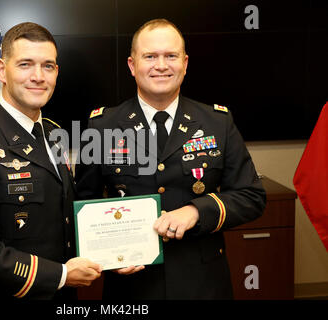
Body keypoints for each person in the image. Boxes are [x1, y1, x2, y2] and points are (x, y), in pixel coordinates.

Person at [75, 19, 266, 299]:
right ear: (132, 65)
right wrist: (107, 256)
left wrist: (197, 211)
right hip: (132, 285)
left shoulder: (216, 122)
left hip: (202, 282)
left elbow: (252, 196)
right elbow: (84, 204)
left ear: (185, 63)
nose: (161, 65)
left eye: (171, 56)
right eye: (150, 56)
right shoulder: (103, 126)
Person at [0, 22, 102, 300]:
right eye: (25, 64)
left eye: (48, 66)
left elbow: (62, 220)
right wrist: (61, 275)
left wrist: (115, 253)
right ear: (2, 70)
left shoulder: (52, 133)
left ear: (56, 72)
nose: (38, 76)